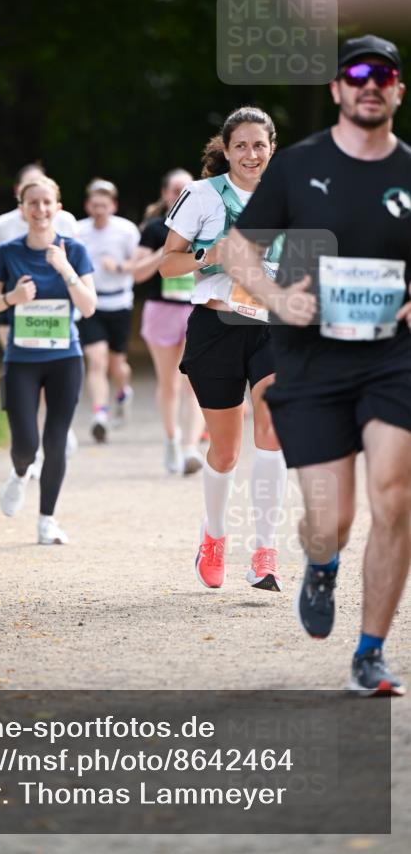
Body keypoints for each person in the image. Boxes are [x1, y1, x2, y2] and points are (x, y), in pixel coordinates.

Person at [223, 35, 410, 696]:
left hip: (392, 357)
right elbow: (235, 250)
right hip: (309, 359)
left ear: (396, 91)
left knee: (394, 494)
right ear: (336, 90)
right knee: (328, 519)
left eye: (382, 75)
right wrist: (276, 298)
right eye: (355, 74)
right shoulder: (297, 166)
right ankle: (320, 562)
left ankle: (368, 652)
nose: (369, 84)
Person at [161, 108, 288, 593]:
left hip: (272, 326)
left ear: (271, 148)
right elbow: (167, 266)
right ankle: (214, 537)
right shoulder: (202, 195)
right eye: (241, 146)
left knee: (273, 428)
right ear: (227, 149)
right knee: (226, 450)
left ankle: (265, 552)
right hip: (217, 324)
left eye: (259, 145)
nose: (250, 154)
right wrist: (210, 254)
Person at [0, 175, 96, 545]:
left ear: (58, 208)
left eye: (47, 202)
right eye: (33, 203)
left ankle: (47, 520)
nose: (41, 209)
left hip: (65, 357)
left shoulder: (74, 251)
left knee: (56, 440)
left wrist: (64, 268)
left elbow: (89, 306)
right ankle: (19, 474)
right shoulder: (8, 252)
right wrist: (13, 297)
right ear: (22, 209)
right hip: (22, 360)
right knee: (26, 444)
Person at [133, 168, 206, 474]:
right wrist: (167, 254)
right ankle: (172, 440)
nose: (181, 195)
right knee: (170, 384)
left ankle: (191, 448)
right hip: (161, 310)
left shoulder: (206, 224)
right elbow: (137, 273)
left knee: (196, 383)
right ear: (165, 194)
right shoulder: (152, 229)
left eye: (187, 190)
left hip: (196, 310)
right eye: (176, 190)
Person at [0, 163, 78, 351]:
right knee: (18, 363)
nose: (35, 188)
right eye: (29, 183)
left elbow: (78, 263)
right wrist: (9, 296)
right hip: (16, 301)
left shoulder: (66, 220)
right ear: (18, 190)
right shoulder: (3, 224)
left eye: (39, 182)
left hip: (56, 304)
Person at [76, 179, 140, 443]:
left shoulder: (126, 231)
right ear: (88, 205)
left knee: (117, 365)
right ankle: (99, 415)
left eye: (104, 204)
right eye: (95, 204)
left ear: (113, 205)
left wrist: (120, 267)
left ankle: (123, 392)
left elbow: (140, 262)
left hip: (120, 303)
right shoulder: (78, 231)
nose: (99, 209)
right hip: (92, 303)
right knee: (97, 359)